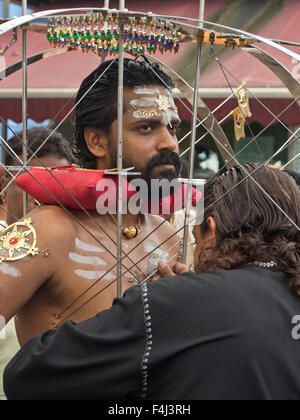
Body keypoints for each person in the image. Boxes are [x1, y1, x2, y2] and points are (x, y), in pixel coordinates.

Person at [3, 163, 300, 400]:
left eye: (194, 240)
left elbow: (27, 374)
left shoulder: (172, 297)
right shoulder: (50, 226)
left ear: (211, 230)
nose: (168, 145)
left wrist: (182, 298)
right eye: (146, 127)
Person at [0, 57, 183, 349]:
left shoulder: (168, 236)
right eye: (146, 128)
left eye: (172, 128)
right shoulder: (45, 230)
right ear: (96, 140)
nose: (170, 144)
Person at [0, 127, 73, 400]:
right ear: (3, 179)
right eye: (35, 183)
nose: (47, 197)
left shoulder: (84, 249)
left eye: (60, 184)